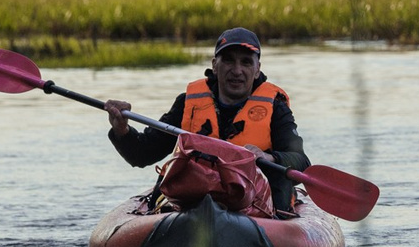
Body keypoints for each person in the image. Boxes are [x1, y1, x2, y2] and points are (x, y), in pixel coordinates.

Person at [105, 27, 310, 215]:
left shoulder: (275, 107)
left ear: (257, 69)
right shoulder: (188, 103)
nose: (237, 70)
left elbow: (300, 160)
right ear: (215, 65)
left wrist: (270, 158)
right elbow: (142, 154)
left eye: (246, 62)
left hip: (255, 204)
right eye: (228, 60)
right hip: (193, 203)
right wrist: (122, 130)